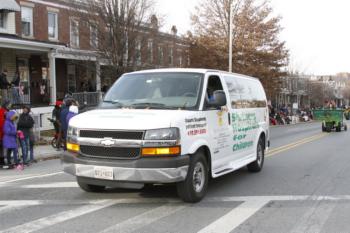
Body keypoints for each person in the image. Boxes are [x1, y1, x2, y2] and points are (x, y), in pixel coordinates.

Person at [0, 100, 11, 166]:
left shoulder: (6, 111)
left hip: (4, 133)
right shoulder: (2, 111)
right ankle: (2, 161)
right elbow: (1, 123)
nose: (10, 106)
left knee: (2, 148)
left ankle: (2, 161)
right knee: (2, 148)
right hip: (2, 133)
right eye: (9, 105)